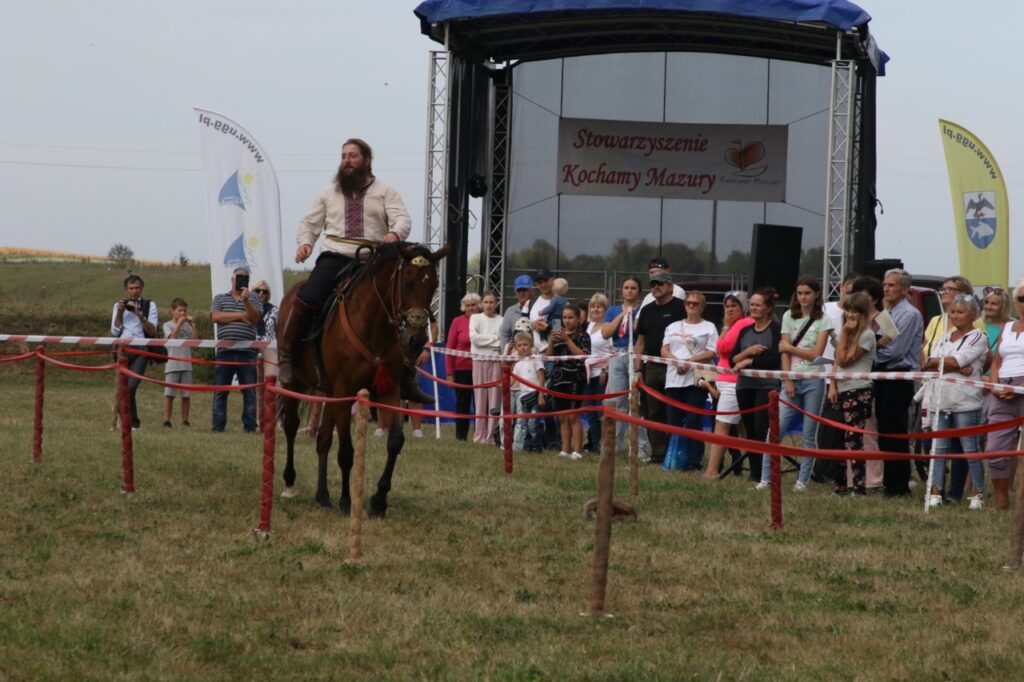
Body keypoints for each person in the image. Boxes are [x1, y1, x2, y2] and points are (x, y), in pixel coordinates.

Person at [277, 138, 428, 403]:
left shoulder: (385, 191)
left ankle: (405, 371)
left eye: (353, 156)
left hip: (374, 259)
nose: (347, 160)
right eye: (344, 156)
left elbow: (402, 218)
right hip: (335, 256)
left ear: (367, 160)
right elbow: (309, 223)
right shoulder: (328, 193)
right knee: (308, 296)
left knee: (400, 303)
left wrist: (395, 233)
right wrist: (305, 242)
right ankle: (287, 355)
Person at [758, 275, 832, 491]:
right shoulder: (788, 316)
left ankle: (802, 481)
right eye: (799, 293)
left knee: (809, 434)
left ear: (816, 294)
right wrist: (787, 378)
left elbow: (816, 353)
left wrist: (790, 348)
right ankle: (766, 478)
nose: (803, 297)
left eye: (807, 293)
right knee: (775, 430)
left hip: (814, 380)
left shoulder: (824, 320)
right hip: (791, 379)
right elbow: (783, 354)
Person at [920, 295, 988, 509]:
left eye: (960, 312)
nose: (955, 316)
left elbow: (956, 360)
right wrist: (952, 365)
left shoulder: (978, 336)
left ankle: (978, 493)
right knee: (938, 449)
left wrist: (945, 363)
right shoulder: (945, 336)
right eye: (953, 312)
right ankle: (936, 493)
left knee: (970, 449)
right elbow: (926, 362)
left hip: (966, 401)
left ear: (973, 315)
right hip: (940, 399)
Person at [873, 268, 924, 497]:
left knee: (896, 432)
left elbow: (894, 350)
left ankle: (899, 486)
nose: (886, 289)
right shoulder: (887, 312)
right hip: (882, 376)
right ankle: (889, 482)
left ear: (904, 289)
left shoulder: (909, 314)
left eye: (891, 285)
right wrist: (876, 344)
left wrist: (871, 350)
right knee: (884, 432)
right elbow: (879, 340)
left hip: (899, 376)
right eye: (885, 284)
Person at [661, 291, 718, 471]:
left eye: (695, 303)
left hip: (698, 378)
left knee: (694, 420)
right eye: (688, 303)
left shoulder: (709, 327)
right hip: (673, 378)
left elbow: (711, 352)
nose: (691, 306)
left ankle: (694, 460)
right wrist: (677, 362)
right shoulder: (672, 326)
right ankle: (674, 458)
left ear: (702, 307)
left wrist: (689, 362)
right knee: (673, 420)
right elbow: (664, 350)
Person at [730, 288, 781, 482]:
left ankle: (766, 473)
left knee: (762, 428)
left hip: (766, 386)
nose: (753, 308)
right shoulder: (745, 331)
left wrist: (748, 361)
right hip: (744, 385)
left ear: (768, 308)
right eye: (752, 304)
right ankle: (755, 473)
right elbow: (733, 359)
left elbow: (773, 359)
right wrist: (747, 353)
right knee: (749, 429)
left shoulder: (775, 329)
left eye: (758, 305)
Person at [635, 271, 686, 464]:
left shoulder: (681, 307)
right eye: (653, 284)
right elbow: (640, 342)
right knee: (653, 411)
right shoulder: (646, 310)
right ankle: (658, 453)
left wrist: (684, 362)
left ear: (670, 286)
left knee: (675, 411)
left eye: (660, 284)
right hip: (652, 366)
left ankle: (677, 452)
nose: (656, 287)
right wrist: (638, 370)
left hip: (676, 367)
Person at [827, 292, 876, 495]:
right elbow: (837, 362)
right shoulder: (846, 334)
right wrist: (832, 385)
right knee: (839, 438)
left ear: (863, 314)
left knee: (854, 439)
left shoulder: (867, 335)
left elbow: (845, 360)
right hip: (841, 388)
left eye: (855, 311)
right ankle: (840, 485)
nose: (850, 315)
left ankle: (858, 486)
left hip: (858, 389)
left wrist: (845, 335)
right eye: (848, 310)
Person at [704, 291, 753, 478]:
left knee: (722, 425)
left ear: (743, 307)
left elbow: (723, 347)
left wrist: (725, 326)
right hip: (725, 379)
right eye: (727, 306)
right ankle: (755, 469)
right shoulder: (733, 325)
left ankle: (711, 471)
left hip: (733, 382)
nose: (730, 310)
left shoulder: (743, 323)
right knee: (742, 428)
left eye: (734, 306)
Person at [983, 283, 1024, 510]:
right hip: (1002, 388)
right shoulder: (1007, 328)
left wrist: (1020, 387)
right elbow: (996, 361)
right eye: (1022, 299)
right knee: (994, 450)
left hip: (1022, 387)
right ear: (1015, 303)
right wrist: (995, 385)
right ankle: (1002, 500)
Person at [211, 267, 262, 433]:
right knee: (220, 391)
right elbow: (216, 317)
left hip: (247, 352)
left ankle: (250, 427)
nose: (240, 281)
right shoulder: (220, 298)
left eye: (244, 278)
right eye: (238, 277)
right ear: (232, 279)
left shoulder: (254, 299)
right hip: (225, 351)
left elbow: (254, 319)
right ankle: (218, 427)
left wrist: (246, 302)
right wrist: (241, 315)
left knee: (249, 391)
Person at [602, 276, 647, 454]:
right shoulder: (612, 311)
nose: (629, 291)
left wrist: (633, 314)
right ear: (621, 290)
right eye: (626, 287)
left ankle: (640, 448)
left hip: (635, 354)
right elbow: (605, 333)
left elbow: (640, 333)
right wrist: (623, 314)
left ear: (639, 292)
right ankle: (615, 446)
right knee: (617, 402)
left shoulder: (643, 311)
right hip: (617, 354)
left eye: (633, 288)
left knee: (636, 403)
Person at [110, 274, 159, 430]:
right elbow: (114, 331)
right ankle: (130, 421)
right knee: (122, 387)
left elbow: (152, 331)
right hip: (122, 348)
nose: (134, 291)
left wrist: (140, 315)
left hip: (141, 348)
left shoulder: (150, 305)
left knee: (131, 386)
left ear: (141, 289)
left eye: (137, 288)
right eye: (131, 288)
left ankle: (130, 420)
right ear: (126, 290)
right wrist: (120, 312)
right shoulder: (118, 306)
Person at [547, 303, 591, 459]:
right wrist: (551, 341)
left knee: (573, 416)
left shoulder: (583, 336)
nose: (567, 321)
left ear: (579, 319)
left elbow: (583, 355)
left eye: (570, 317)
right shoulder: (558, 334)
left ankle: (577, 450)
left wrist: (567, 340)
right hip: (558, 379)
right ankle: (565, 449)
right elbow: (549, 357)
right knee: (563, 416)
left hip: (575, 379)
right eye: (564, 317)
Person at [470, 291, 503, 445]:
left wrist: (488, 341)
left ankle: (491, 435)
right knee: (480, 399)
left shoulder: (501, 320)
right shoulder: (475, 318)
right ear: (481, 304)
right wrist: (494, 338)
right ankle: (479, 435)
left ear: (496, 303)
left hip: (495, 360)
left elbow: (501, 343)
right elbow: (474, 339)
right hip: (478, 360)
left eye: (491, 302)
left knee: (495, 398)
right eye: (486, 302)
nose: (489, 305)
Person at [446, 293, 479, 441]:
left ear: (479, 306)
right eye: (468, 305)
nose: (471, 308)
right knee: (462, 404)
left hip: (481, 368)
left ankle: (480, 435)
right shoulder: (457, 322)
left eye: (473, 305)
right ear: (463, 307)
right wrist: (449, 373)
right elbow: (449, 349)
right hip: (461, 369)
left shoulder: (483, 320)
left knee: (481, 404)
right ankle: (461, 436)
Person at [162, 298, 197, 428]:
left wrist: (193, 325)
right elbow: (172, 338)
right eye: (180, 310)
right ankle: (167, 420)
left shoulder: (188, 326)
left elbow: (195, 341)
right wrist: (179, 323)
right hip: (172, 365)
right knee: (169, 394)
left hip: (186, 365)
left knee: (186, 395)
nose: (183, 313)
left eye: (185, 311)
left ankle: (185, 421)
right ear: (173, 311)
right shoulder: (167, 325)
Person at [583, 293, 612, 452]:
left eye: (599, 306)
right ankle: (594, 444)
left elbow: (613, 352)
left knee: (601, 410)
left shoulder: (608, 327)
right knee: (590, 411)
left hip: (602, 374)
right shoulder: (588, 327)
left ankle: (604, 444)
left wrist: (605, 370)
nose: (595, 309)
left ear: (605, 309)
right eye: (593, 306)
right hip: (588, 374)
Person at [511, 331, 545, 452]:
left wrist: (541, 395)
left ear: (531, 345)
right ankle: (527, 446)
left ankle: (537, 447)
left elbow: (541, 377)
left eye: (525, 344)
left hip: (535, 395)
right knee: (525, 424)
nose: (523, 347)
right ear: (516, 348)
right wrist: (496, 385)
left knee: (532, 423)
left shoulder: (536, 359)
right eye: (519, 345)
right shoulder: (518, 364)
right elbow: (511, 381)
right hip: (524, 398)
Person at [500, 275, 534, 353]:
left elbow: (555, 329)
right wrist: (505, 355)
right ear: (515, 293)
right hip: (516, 356)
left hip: (539, 355)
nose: (522, 293)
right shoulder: (510, 311)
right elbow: (504, 336)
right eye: (519, 291)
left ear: (532, 291)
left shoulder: (540, 308)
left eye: (524, 290)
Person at [982, 286, 1013, 359]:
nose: (988, 307)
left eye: (993, 304)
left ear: (1003, 307)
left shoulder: (1013, 327)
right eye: (986, 302)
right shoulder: (977, 325)